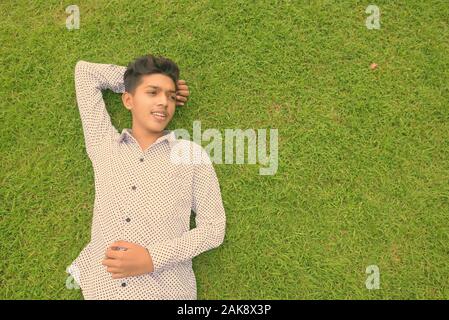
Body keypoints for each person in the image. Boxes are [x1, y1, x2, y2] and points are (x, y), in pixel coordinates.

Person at [67, 54, 226, 300]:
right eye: (153, 93)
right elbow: (85, 72)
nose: (164, 102)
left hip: (166, 291)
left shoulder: (191, 155)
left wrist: (152, 258)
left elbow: (214, 229)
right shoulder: (104, 145)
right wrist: (135, 80)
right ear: (128, 100)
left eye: (171, 96)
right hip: (102, 290)